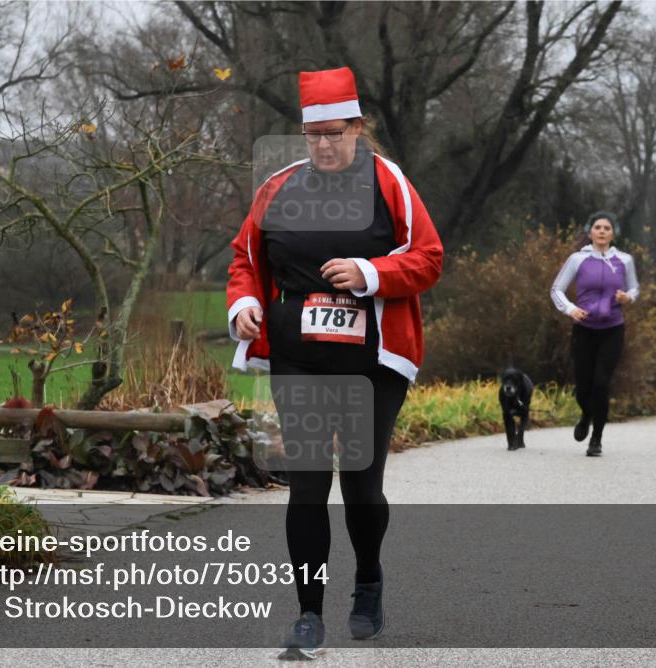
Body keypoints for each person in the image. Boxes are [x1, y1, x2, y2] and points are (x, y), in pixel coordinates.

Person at [225, 66, 443, 659]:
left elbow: (428, 257)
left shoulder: (388, 182)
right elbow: (245, 258)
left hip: (373, 360)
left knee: (361, 482)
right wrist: (245, 303)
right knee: (307, 484)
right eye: (313, 134)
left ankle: (368, 578)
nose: (324, 144)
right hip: (299, 359)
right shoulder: (278, 187)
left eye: (335, 132)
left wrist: (370, 274)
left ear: (358, 128)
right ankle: (308, 612)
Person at [550, 211, 639, 457]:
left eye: (606, 228)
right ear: (590, 232)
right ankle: (586, 414)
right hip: (584, 330)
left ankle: (596, 439)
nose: (602, 231)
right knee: (583, 388)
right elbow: (556, 289)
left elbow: (634, 288)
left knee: (601, 383)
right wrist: (570, 309)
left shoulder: (624, 260)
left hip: (612, 329)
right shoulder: (577, 259)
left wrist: (627, 297)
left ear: (613, 233)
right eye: (597, 227)